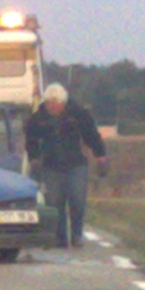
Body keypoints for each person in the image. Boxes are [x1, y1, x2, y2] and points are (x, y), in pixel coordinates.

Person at [24, 83, 109, 248]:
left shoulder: (79, 114)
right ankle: (59, 237)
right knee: (54, 203)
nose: (51, 107)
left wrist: (101, 157)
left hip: (76, 165)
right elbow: (31, 141)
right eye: (48, 103)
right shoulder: (38, 119)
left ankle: (77, 234)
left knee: (77, 200)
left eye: (55, 103)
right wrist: (34, 159)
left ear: (63, 103)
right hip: (51, 166)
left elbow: (92, 136)